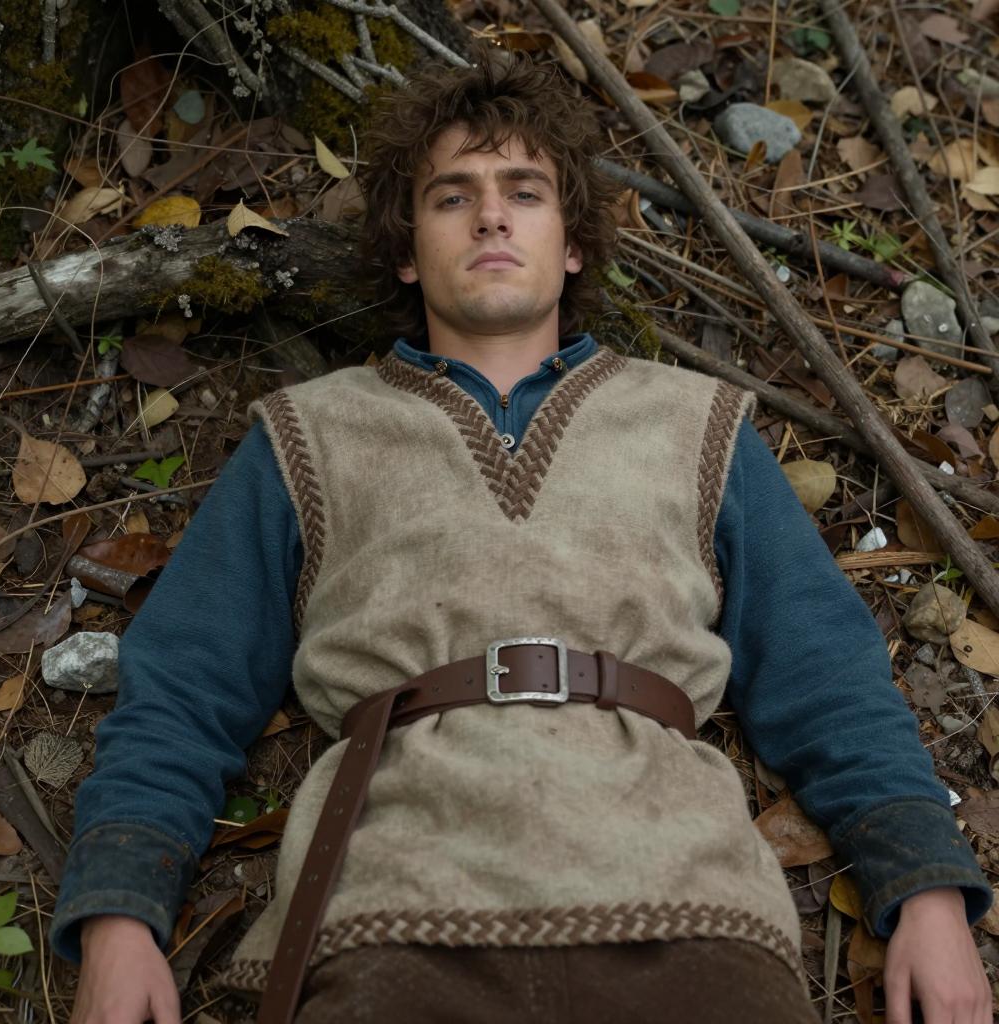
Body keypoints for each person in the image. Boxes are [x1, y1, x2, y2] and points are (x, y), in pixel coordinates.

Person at [53, 53, 993, 1024]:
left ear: (574, 241)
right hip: (391, 919)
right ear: (408, 249)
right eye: (451, 195)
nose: (491, 215)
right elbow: (182, 695)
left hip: (686, 913)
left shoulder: (697, 426)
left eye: (525, 191)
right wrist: (120, 917)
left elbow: (827, 681)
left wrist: (923, 891)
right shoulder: (309, 438)